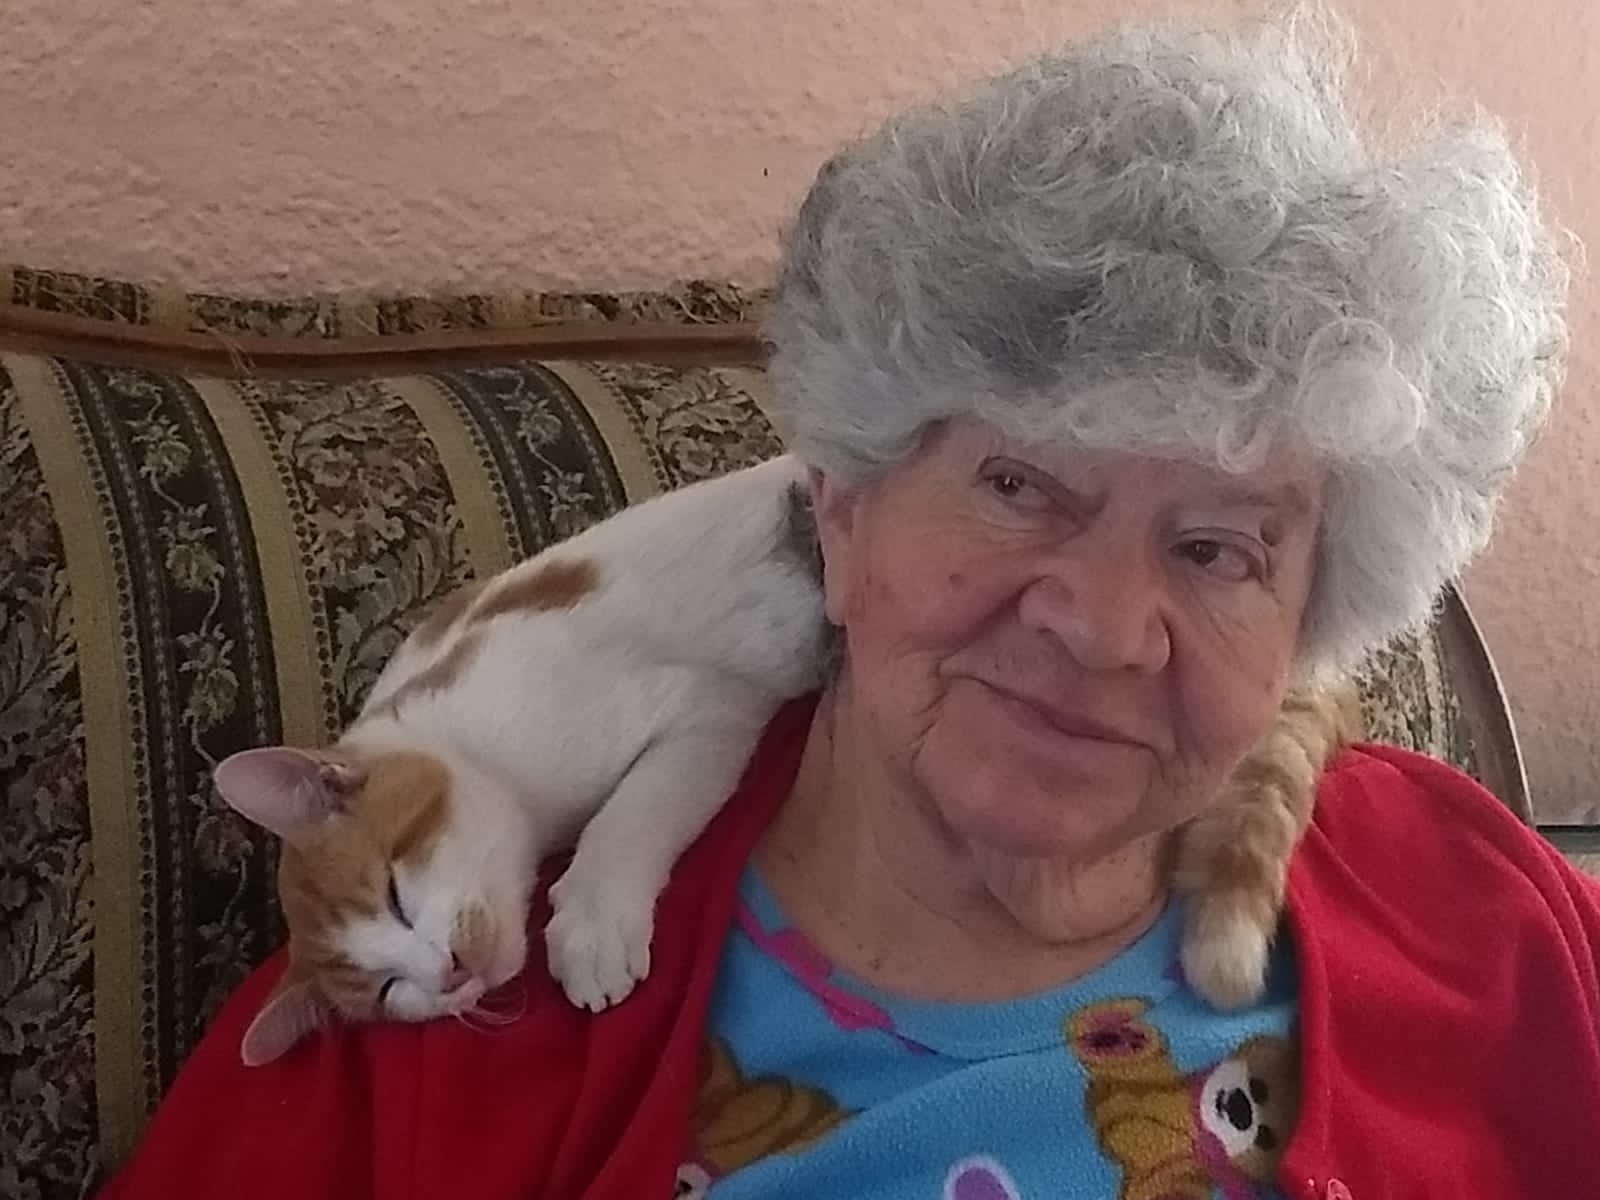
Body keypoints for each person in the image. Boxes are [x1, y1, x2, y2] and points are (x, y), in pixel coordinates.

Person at [102, 4, 1600, 1199]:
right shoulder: (445, 1023)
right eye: (1019, 485)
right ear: (838, 512)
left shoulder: (1484, 912)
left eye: (1217, 550)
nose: (1100, 626)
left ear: (1315, 610)